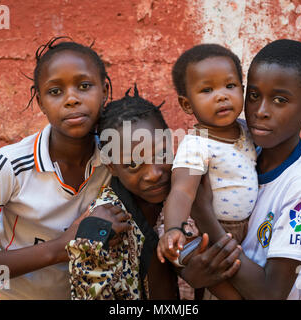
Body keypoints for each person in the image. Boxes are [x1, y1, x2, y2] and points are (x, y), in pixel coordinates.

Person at [0, 37, 116, 299]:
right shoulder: (9, 164)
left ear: (104, 90)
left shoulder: (115, 162)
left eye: (84, 86)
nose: (71, 99)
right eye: (55, 91)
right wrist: (61, 248)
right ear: (40, 103)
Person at [187, 39, 301, 300]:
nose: (260, 111)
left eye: (279, 100)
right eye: (253, 96)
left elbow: (271, 294)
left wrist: (202, 213)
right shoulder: (237, 148)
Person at [66, 86, 242, 300]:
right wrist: (189, 275)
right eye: (132, 164)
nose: (153, 174)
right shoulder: (103, 227)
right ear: (112, 167)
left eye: (161, 154)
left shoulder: (189, 191)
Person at [156, 44, 257, 299]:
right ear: (187, 104)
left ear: (243, 90)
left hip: (246, 229)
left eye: (230, 86)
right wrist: (172, 229)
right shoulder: (196, 144)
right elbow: (181, 191)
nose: (221, 96)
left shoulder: (247, 130)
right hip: (207, 232)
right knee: (216, 274)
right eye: (207, 90)